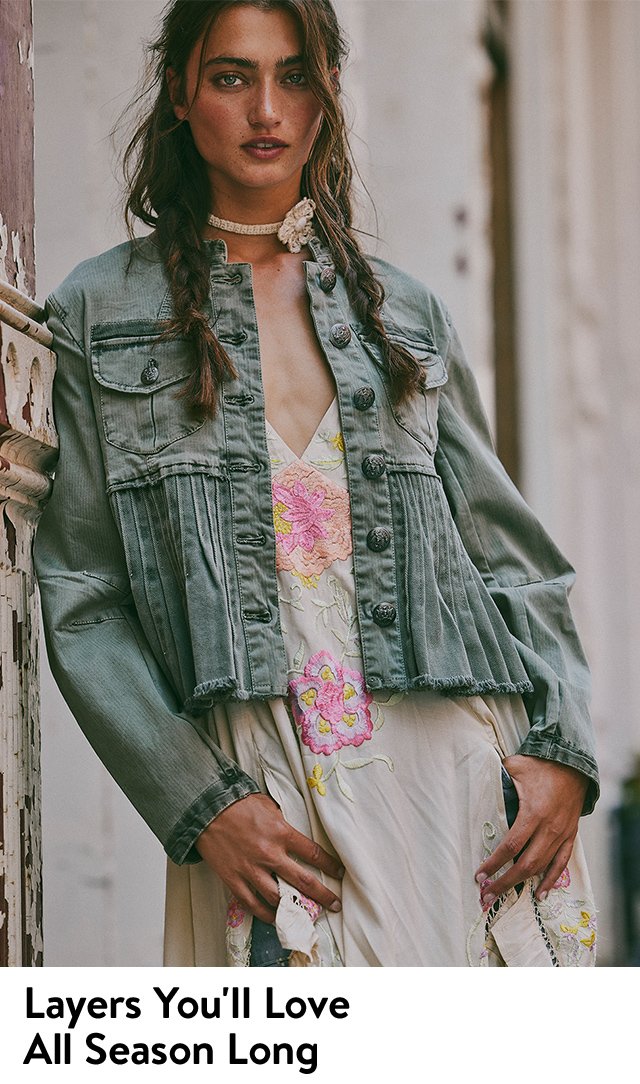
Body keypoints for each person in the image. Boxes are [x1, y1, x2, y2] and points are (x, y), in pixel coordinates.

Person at [35, 0, 598, 967]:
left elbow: (513, 561)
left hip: (465, 792)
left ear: (326, 94)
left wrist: (559, 752)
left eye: (294, 75)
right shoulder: (101, 311)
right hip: (269, 805)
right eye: (231, 76)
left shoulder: (404, 313)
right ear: (180, 93)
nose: (266, 108)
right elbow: (84, 602)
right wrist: (199, 803)